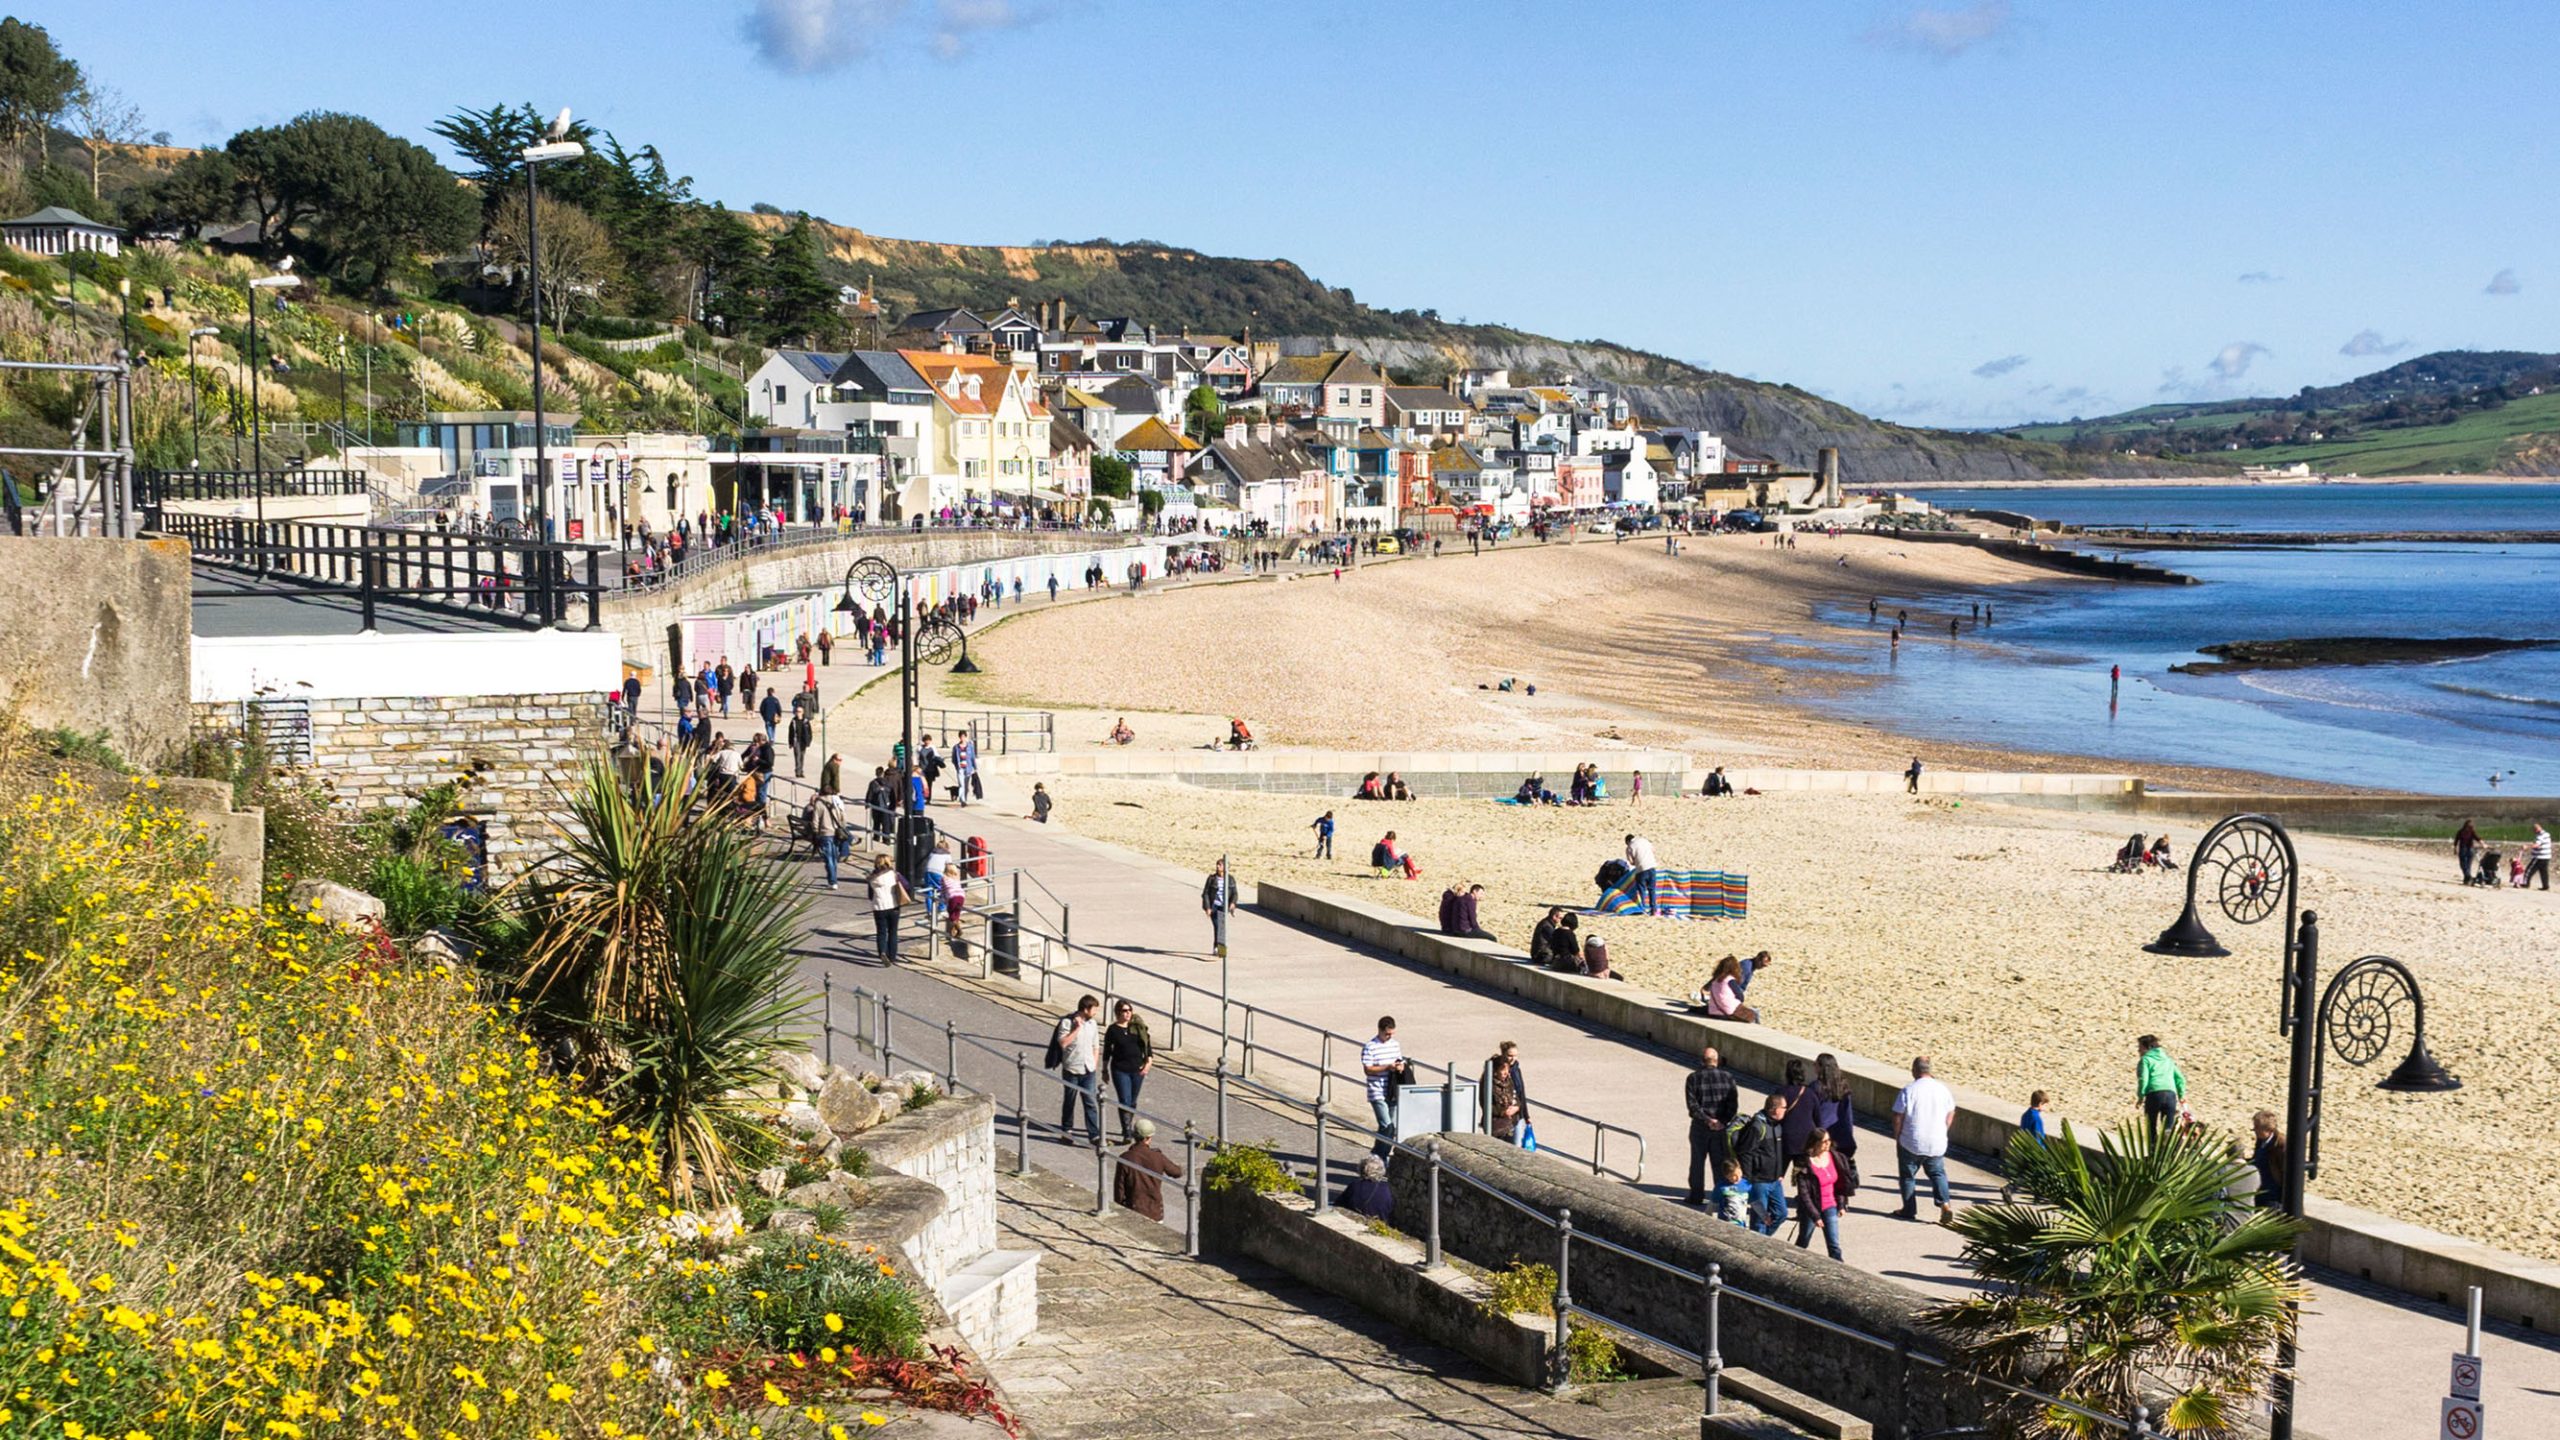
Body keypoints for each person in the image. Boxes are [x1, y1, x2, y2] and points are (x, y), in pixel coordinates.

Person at [1893, 1055, 1955, 1224]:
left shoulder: (1909, 1090)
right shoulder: (1943, 1090)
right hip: (1936, 1141)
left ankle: (1909, 1209)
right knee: (1937, 1173)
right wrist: (1943, 1130)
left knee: (1907, 1176)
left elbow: (1898, 1115)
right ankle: (1945, 1204)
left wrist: (1897, 1136)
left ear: (1914, 1070)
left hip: (1911, 1140)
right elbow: (1950, 1113)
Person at [1683, 1045, 1740, 1206]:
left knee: (1697, 1162)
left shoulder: (1693, 1078)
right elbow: (1733, 1105)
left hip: (1700, 1127)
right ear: (1717, 1060)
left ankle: (1696, 1195)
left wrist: (1707, 1120)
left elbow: (1692, 1106)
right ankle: (1720, 1196)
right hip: (1721, 1128)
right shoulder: (1728, 1077)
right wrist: (1722, 1121)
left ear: (1702, 1061)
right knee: (1719, 1164)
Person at [1735, 1093, 1791, 1236]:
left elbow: (1778, 1152)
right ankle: (1757, 1247)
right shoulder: (1757, 1127)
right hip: (1759, 1181)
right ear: (1774, 1109)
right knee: (1759, 1220)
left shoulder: (1778, 1125)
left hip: (1775, 1180)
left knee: (1781, 1213)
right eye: (1784, 1107)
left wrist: (1780, 1173)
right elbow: (1745, 1153)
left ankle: (1763, 1241)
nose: (1786, 1110)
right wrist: (1748, 1179)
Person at [1054, 995, 1104, 1146]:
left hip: (1088, 1069)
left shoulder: (1093, 1024)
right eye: (1094, 1009)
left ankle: (1094, 1134)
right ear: (1086, 1009)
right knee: (1069, 1100)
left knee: (1090, 1101)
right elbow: (1063, 1043)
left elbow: (1096, 1045)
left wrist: (1094, 1063)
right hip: (1072, 1068)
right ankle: (1067, 1131)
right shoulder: (1067, 1022)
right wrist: (1076, 1029)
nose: (1096, 1012)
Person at [1792, 1130, 1849, 1261]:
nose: (1827, 1144)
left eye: (1829, 1140)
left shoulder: (1835, 1157)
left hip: (1830, 1206)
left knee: (1834, 1245)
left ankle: (1839, 1270)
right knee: (1803, 1240)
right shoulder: (1805, 1163)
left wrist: (1841, 1204)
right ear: (1815, 1143)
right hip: (1812, 1207)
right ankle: (1793, 1262)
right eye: (1824, 1141)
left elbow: (1840, 1185)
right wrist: (1815, 1216)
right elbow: (1804, 1194)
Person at [1103, 1001, 1154, 1141]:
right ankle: (1126, 1132)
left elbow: (1146, 1044)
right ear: (1118, 1012)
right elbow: (1107, 1050)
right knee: (1124, 1100)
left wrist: (1149, 1062)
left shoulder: (1137, 1027)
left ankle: (1129, 1126)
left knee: (1132, 1100)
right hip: (1120, 1069)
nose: (1128, 1013)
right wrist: (1104, 1070)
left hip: (1137, 1070)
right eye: (1125, 1010)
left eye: (1129, 1010)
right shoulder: (1113, 1030)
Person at [1361, 1017, 1405, 1145]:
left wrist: (1400, 1067)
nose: (1389, 1036)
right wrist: (1387, 1067)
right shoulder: (1370, 1047)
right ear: (1379, 1030)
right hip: (1377, 1091)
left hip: (1391, 1090)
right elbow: (1368, 1069)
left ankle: (1379, 1157)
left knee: (1390, 1128)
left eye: (1391, 1034)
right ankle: (1379, 1156)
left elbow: (1399, 1060)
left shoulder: (1395, 1044)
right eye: (1387, 1034)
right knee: (1386, 1126)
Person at [866, 855, 910, 962]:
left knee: (881, 932)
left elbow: (870, 895)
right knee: (893, 932)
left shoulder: (872, 878)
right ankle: (893, 956)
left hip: (879, 907)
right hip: (893, 905)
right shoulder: (894, 874)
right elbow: (907, 885)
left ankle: (882, 952)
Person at [1776, 1059, 1821, 1162]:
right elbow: (1817, 1118)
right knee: (1802, 1174)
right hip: (1805, 1139)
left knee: (1779, 1172)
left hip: (1786, 1137)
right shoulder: (1810, 1093)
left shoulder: (1781, 1092)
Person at [2136, 1034, 2187, 1127]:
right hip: (2170, 1095)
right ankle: (2166, 1139)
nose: (2138, 1050)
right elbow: (2180, 1078)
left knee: (2151, 1127)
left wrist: (2140, 1096)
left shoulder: (2146, 1060)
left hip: (2154, 1094)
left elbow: (2144, 1079)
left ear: (2147, 1047)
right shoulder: (2168, 1060)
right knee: (2168, 1127)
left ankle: (2153, 1141)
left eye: (2140, 1047)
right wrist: (2181, 1095)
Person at [1487, 1041, 1529, 1143]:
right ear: (1503, 1054)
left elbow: (1521, 1093)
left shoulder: (1516, 1070)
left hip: (1516, 1115)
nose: (1513, 1058)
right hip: (1499, 1120)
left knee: (1517, 1145)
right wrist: (1503, 1112)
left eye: (1515, 1056)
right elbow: (1486, 1100)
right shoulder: (1493, 1071)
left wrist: (1526, 1115)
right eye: (1510, 1055)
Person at [807, 786, 845, 890]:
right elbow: (842, 816)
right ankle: (833, 879)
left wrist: (815, 832)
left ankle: (832, 881)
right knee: (834, 857)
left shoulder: (819, 804)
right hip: (836, 833)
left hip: (825, 833)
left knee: (828, 859)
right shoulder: (836, 801)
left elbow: (815, 821)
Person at [1701, 956, 1758, 1023]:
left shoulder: (1715, 980)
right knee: (1754, 1013)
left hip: (1713, 1011)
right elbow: (1740, 996)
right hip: (1728, 1011)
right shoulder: (1730, 980)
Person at [1339, 1155, 1396, 1220]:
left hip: (1357, 1221)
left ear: (1361, 1169)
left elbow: (1339, 1204)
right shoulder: (1387, 1189)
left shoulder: (1355, 1185)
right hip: (1379, 1225)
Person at [2249, 1110, 2286, 1209]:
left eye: (2257, 1127)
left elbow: (2286, 1173)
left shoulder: (2280, 1145)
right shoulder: (2261, 1141)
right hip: (2259, 1190)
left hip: (2273, 1195)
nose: (2254, 1130)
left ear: (2268, 1130)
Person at [1202, 858, 1238, 958]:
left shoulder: (1230, 879)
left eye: (1220, 865)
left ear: (1225, 867)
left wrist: (1233, 903)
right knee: (1218, 927)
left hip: (1224, 906)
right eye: (1217, 864)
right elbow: (1205, 894)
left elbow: (1234, 893)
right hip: (1214, 906)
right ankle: (1217, 948)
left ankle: (1220, 950)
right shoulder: (1211, 879)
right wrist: (1207, 907)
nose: (1218, 867)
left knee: (1221, 928)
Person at [1624, 833, 1660, 915]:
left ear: (1627, 841)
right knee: (1652, 890)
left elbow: (1631, 862)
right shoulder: (1644, 840)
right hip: (1652, 867)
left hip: (1641, 870)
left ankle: (1642, 909)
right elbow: (1653, 850)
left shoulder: (1630, 846)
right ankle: (1653, 910)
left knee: (1641, 890)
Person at [1713, 1159, 1753, 1227]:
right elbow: (1712, 1205)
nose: (1738, 1178)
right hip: (1724, 1224)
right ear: (1726, 1176)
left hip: (1741, 1225)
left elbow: (1755, 1202)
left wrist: (1764, 1216)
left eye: (1739, 1173)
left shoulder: (1747, 1185)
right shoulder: (1721, 1187)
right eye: (1733, 1176)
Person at [2454, 819, 2481, 887]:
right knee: (2466, 865)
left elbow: (2477, 838)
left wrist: (2455, 849)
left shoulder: (2462, 831)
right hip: (2467, 849)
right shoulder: (2463, 832)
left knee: (2464, 865)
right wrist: (2483, 844)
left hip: (2466, 849)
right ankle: (2467, 878)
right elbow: (2478, 838)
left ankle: (2468, 877)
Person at [2529, 823, 2553, 890]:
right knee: (2544, 872)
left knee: (2529, 870)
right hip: (2546, 856)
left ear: (2536, 829)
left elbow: (2537, 845)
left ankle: (2525, 884)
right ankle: (2545, 886)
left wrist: (2527, 846)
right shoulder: (2547, 834)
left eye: (2534, 830)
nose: (2534, 832)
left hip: (2539, 857)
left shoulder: (2541, 836)